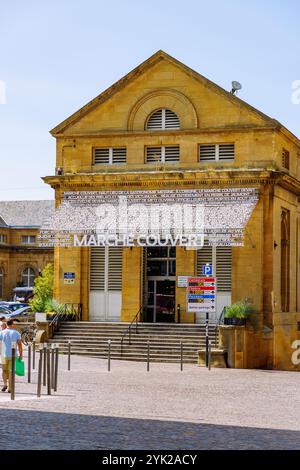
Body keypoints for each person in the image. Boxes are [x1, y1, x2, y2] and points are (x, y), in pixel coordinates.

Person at [0, 319, 23, 392]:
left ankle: (5, 384)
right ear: (12, 324)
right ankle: (10, 387)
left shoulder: (1, 332)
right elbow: (19, 345)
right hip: (13, 355)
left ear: (6, 324)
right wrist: (21, 354)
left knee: (4, 370)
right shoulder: (16, 333)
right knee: (11, 371)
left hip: (3, 354)